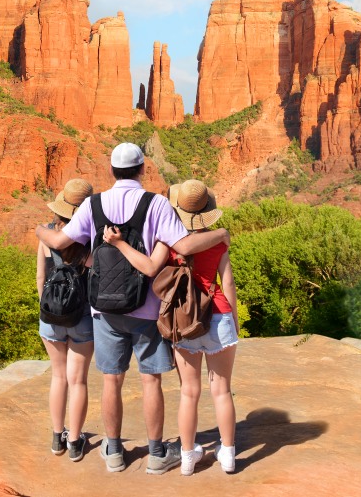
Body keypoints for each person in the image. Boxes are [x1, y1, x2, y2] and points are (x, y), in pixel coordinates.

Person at [36, 143, 229, 475]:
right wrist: (222, 234)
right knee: (150, 381)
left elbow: (57, 243)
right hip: (147, 309)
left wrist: (40, 230)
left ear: (111, 171)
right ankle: (156, 454)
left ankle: (113, 452)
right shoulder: (156, 204)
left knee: (111, 381)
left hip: (103, 310)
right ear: (142, 170)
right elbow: (183, 246)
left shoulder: (93, 204)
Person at [103, 179, 238, 476]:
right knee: (222, 390)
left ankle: (188, 458)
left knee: (189, 392)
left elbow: (149, 268)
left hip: (182, 320)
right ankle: (227, 455)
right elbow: (226, 283)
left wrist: (118, 243)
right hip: (218, 315)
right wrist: (234, 322)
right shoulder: (218, 240)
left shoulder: (167, 241)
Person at [37, 178, 95, 462]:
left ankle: (56, 437)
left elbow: (40, 277)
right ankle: (74, 442)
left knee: (58, 377)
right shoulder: (89, 236)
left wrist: (48, 308)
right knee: (78, 380)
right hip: (82, 316)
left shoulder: (47, 233)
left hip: (50, 315)